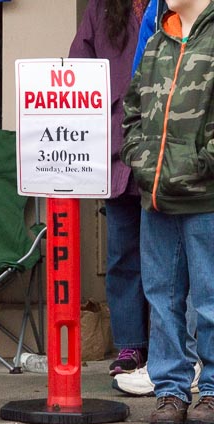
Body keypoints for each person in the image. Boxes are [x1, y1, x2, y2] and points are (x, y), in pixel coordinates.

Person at [121, 1, 214, 424]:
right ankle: (171, 393)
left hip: (206, 197)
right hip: (156, 200)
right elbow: (132, 113)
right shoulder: (157, 41)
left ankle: (211, 392)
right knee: (162, 300)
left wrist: (197, 165)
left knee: (211, 300)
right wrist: (142, 164)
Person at [68, 0, 150, 377]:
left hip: (169, 154)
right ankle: (131, 346)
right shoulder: (100, 9)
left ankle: (178, 351)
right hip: (116, 153)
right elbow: (76, 74)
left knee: (171, 263)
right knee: (122, 257)